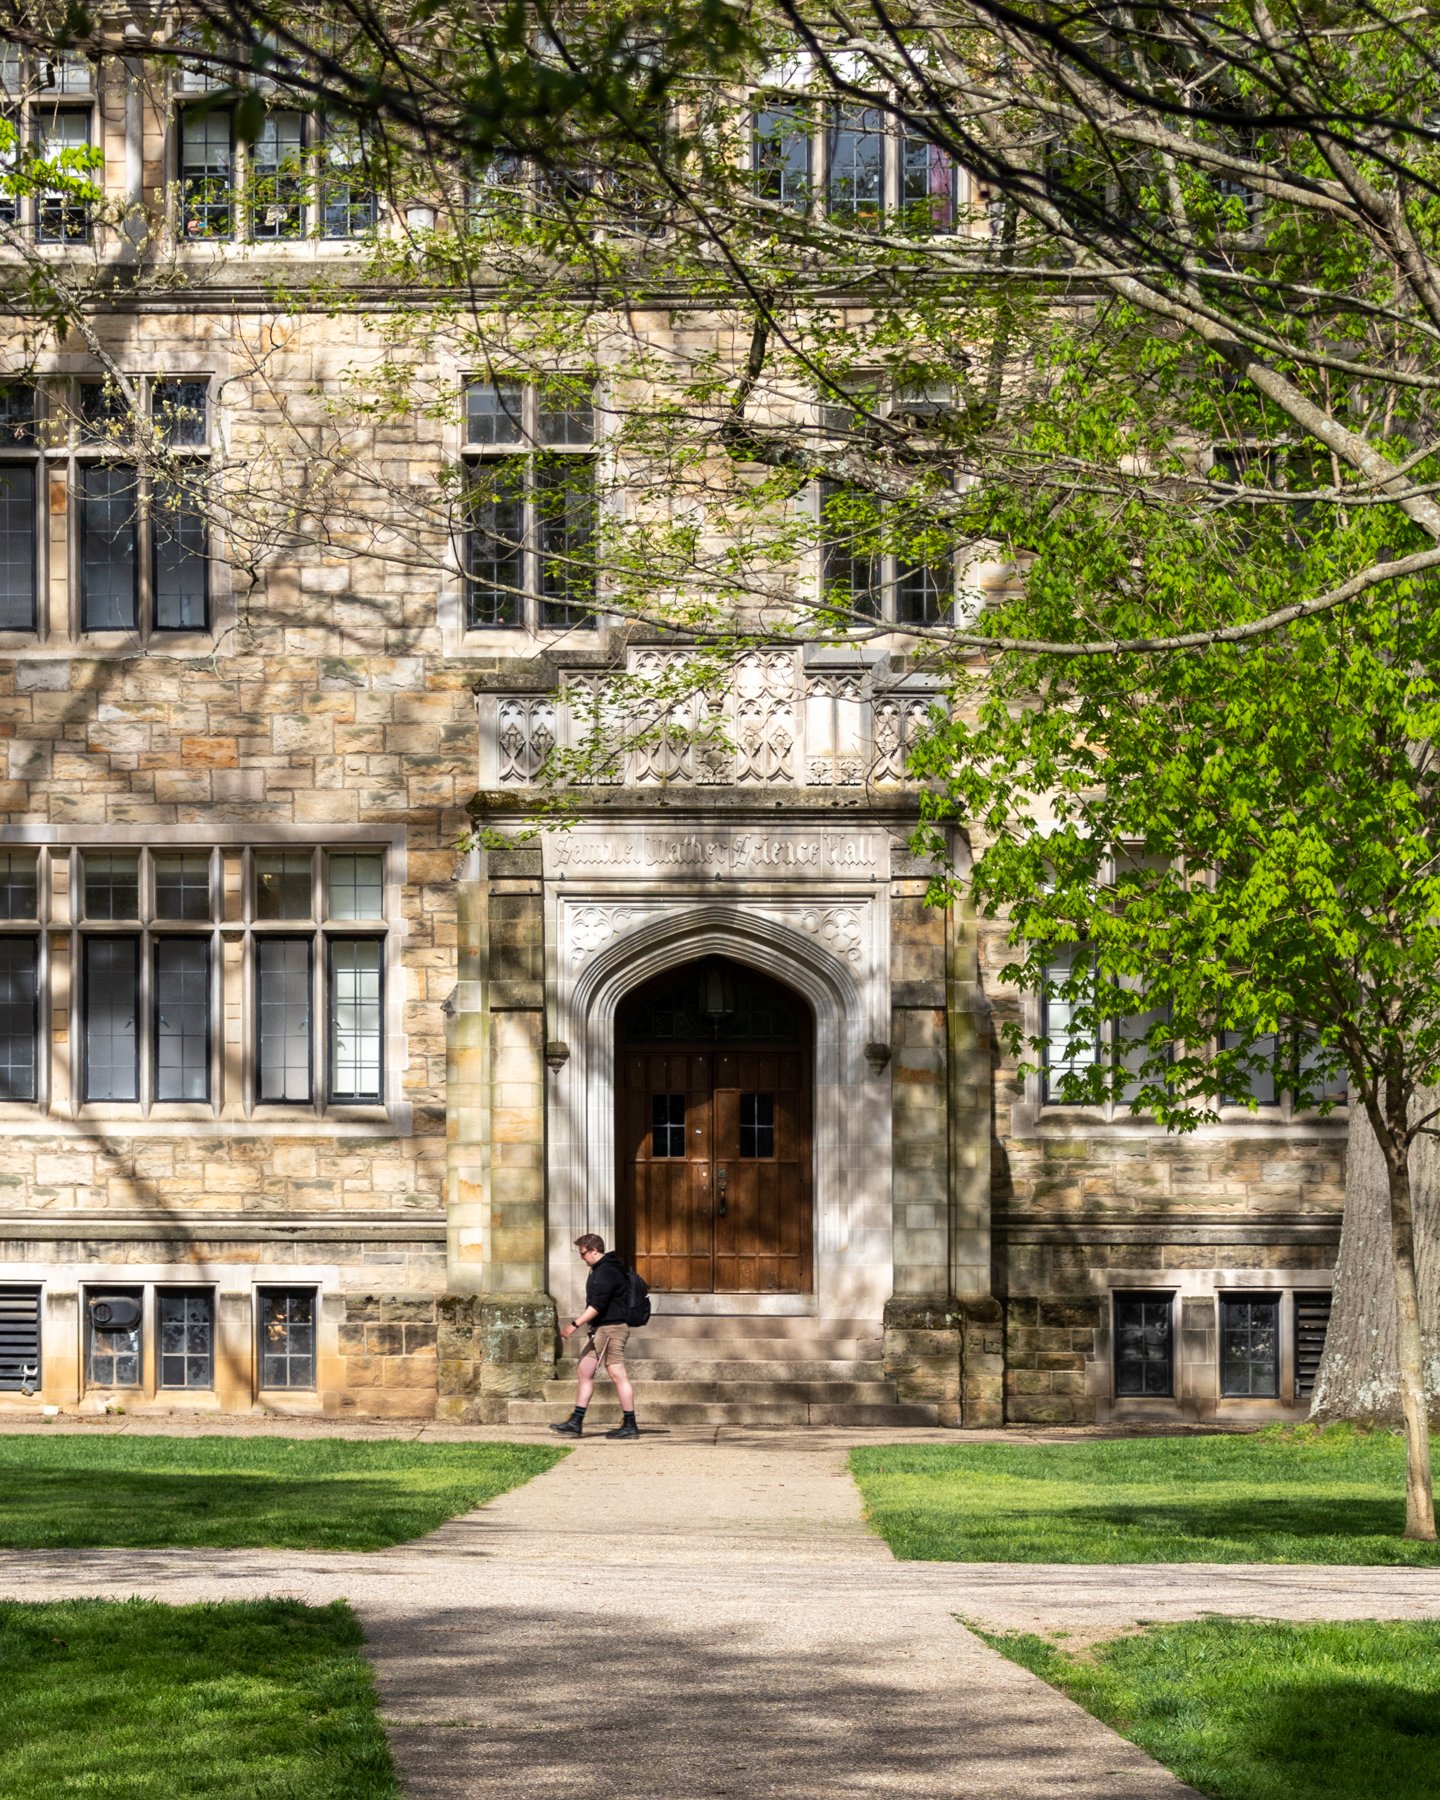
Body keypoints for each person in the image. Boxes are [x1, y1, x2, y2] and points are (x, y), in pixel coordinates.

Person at [551, 1233, 640, 1440]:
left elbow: (597, 1305)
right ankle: (576, 1422)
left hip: (612, 1328)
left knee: (618, 1374)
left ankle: (630, 1424)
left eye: (583, 1253)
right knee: (584, 1369)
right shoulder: (600, 1270)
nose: (582, 1258)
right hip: (602, 1329)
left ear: (594, 1250)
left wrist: (574, 1325)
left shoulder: (607, 1271)